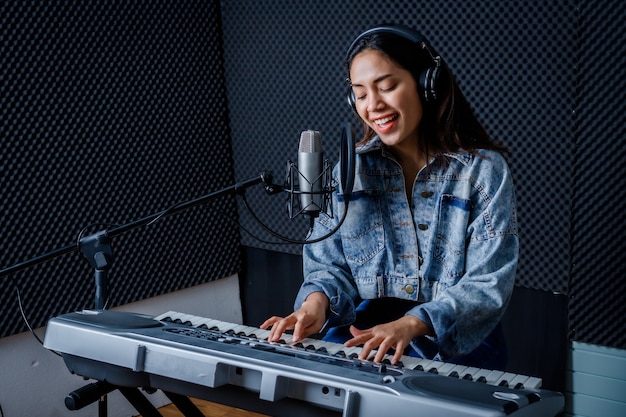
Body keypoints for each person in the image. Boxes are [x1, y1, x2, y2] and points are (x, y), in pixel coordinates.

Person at [261, 24, 518, 371]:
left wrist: (411, 324)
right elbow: (329, 265)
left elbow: (488, 283)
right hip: (367, 335)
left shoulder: (483, 172)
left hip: (456, 343)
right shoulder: (349, 171)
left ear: (426, 85)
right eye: (361, 93)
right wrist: (315, 304)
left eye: (386, 87)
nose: (374, 105)